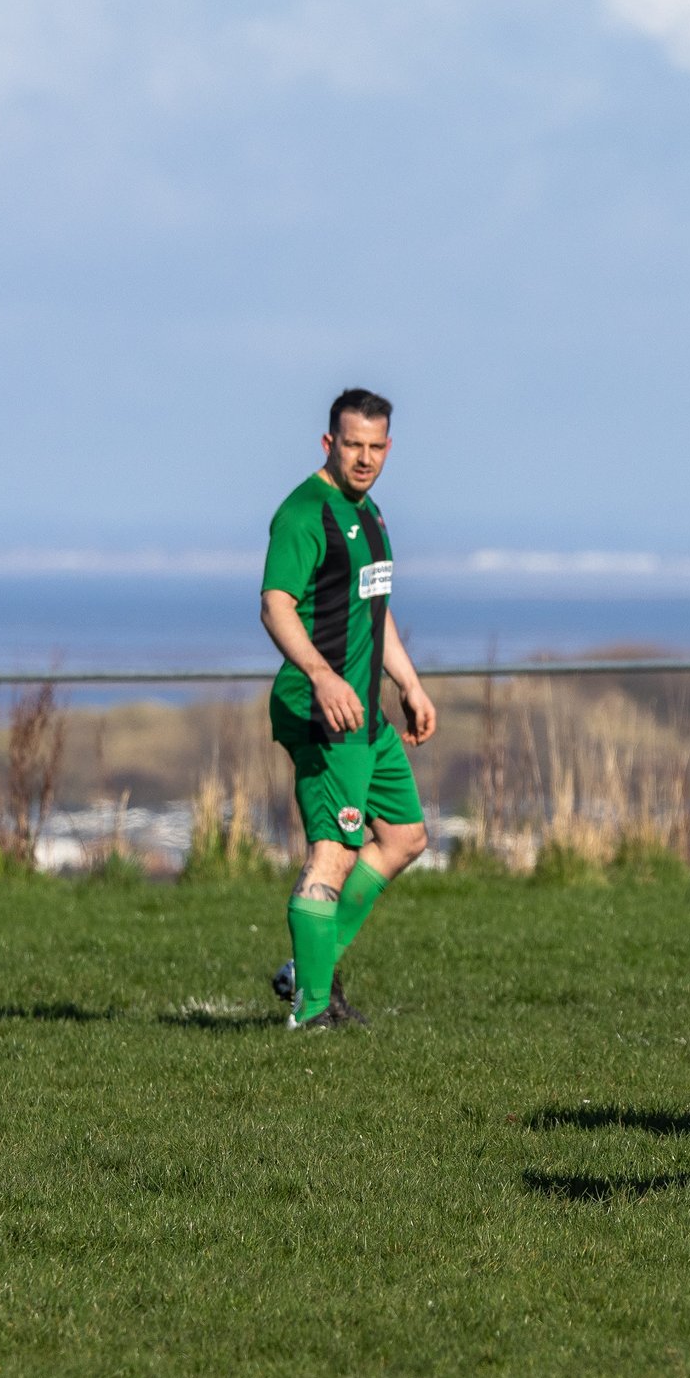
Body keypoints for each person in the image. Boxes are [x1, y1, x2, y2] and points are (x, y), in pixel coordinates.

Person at [259, 388, 439, 1029]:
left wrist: (409, 684)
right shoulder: (305, 513)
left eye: (374, 447)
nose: (363, 458)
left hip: (366, 713)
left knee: (405, 837)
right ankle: (309, 1010)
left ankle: (306, 968)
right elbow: (276, 604)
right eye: (351, 444)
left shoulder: (372, 513)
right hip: (323, 709)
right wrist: (322, 676)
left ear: (388, 447)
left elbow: (374, 612)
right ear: (328, 442)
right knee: (333, 850)